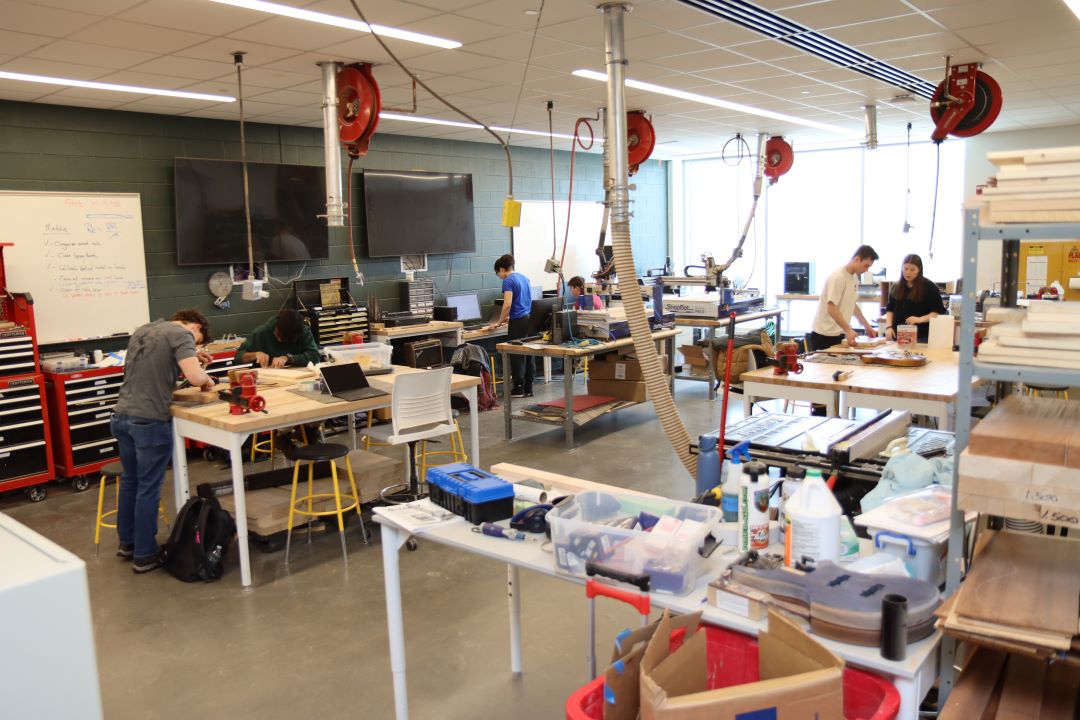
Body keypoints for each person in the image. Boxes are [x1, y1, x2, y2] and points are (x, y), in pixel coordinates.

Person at [111, 309, 215, 573]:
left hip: (121, 416)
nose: (196, 344)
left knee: (131, 481)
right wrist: (206, 378)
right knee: (148, 487)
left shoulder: (144, 329)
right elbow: (195, 379)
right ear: (196, 326)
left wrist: (189, 357)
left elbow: (153, 371)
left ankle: (128, 544)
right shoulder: (183, 334)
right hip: (149, 420)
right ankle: (145, 555)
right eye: (199, 340)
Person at [810, 245, 879, 351]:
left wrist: (867, 326)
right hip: (824, 335)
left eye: (868, 267)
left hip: (838, 333)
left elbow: (852, 305)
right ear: (857, 259)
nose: (866, 270)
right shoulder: (838, 277)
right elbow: (831, 308)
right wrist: (849, 330)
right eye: (865, 266)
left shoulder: (854, 278)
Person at [486, 254, 534, 398]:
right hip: (528, 319)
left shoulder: (508, 281)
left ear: (501, 269)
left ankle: (518, 388)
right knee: (528, 354)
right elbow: (524, 301)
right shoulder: (524, 278)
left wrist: (499, 322)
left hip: (518, 322)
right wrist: (509, 317)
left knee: (516, 355)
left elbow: (507, 304)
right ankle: (528, 388)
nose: (499, 276)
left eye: (498, 273)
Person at [884, 254, 946, 343]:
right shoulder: (896, 286)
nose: (908, 272)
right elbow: (890, 309)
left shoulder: (929, 287)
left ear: (919, 270)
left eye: (912, 269)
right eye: (905, 269)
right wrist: (888, 327)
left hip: (921, 336)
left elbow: (937, 312)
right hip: (897, 335)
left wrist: (919, 319)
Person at [235, 308, 320, 369]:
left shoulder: (303, 331)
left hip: (297, 378)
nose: (279, 340)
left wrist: (289, 358)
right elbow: (238, 357)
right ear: (276, 327)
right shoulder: (261, 333)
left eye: (285, 339)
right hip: (267, 380)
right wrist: (255, 354)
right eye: (278, 335)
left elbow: (315, 357)